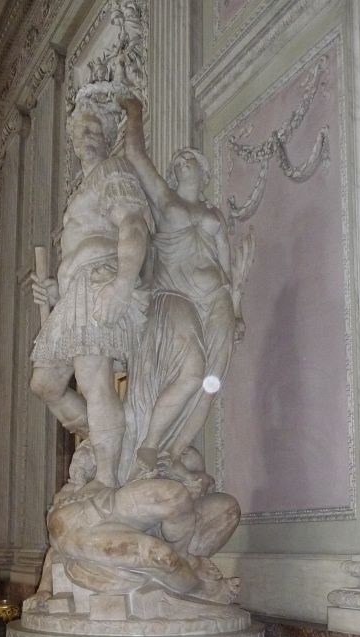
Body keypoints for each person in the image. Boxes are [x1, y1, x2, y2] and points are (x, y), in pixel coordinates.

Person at [118, 95, 246, 482]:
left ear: (204, 172)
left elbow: (226, 264)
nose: (182, 160)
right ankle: (151, 444)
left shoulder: (214, 214)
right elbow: (136, 155)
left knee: (211, 381)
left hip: (216, 299)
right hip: (175, 297)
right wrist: (135, 112)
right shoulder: (165, 199)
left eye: (189, 158)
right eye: (178, 160)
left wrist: (237, 308)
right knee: (193, 372)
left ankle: (174, 454)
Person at [29, 93, 150, 488]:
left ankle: (107, 478)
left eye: (96, 127)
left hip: (99, 282)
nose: (88, 134)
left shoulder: (112, 171)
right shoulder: (79, 192)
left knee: (93, 380)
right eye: (82, 128)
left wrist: (123, 283)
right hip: (73, 295)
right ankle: (110, 443)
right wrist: (55, 291)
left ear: (108, 135)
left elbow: (133, 224)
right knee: (45, 384)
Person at [46, 441, 240, 603]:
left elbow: (199, 482)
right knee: (162, 556)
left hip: (159, 520)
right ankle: (199, 587)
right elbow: (60, 538)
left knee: (226, 509)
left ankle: (184, 563)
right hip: (94, 523)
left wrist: (194, 481)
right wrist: (44, 588)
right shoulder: (85, 474)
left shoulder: (178, 451)